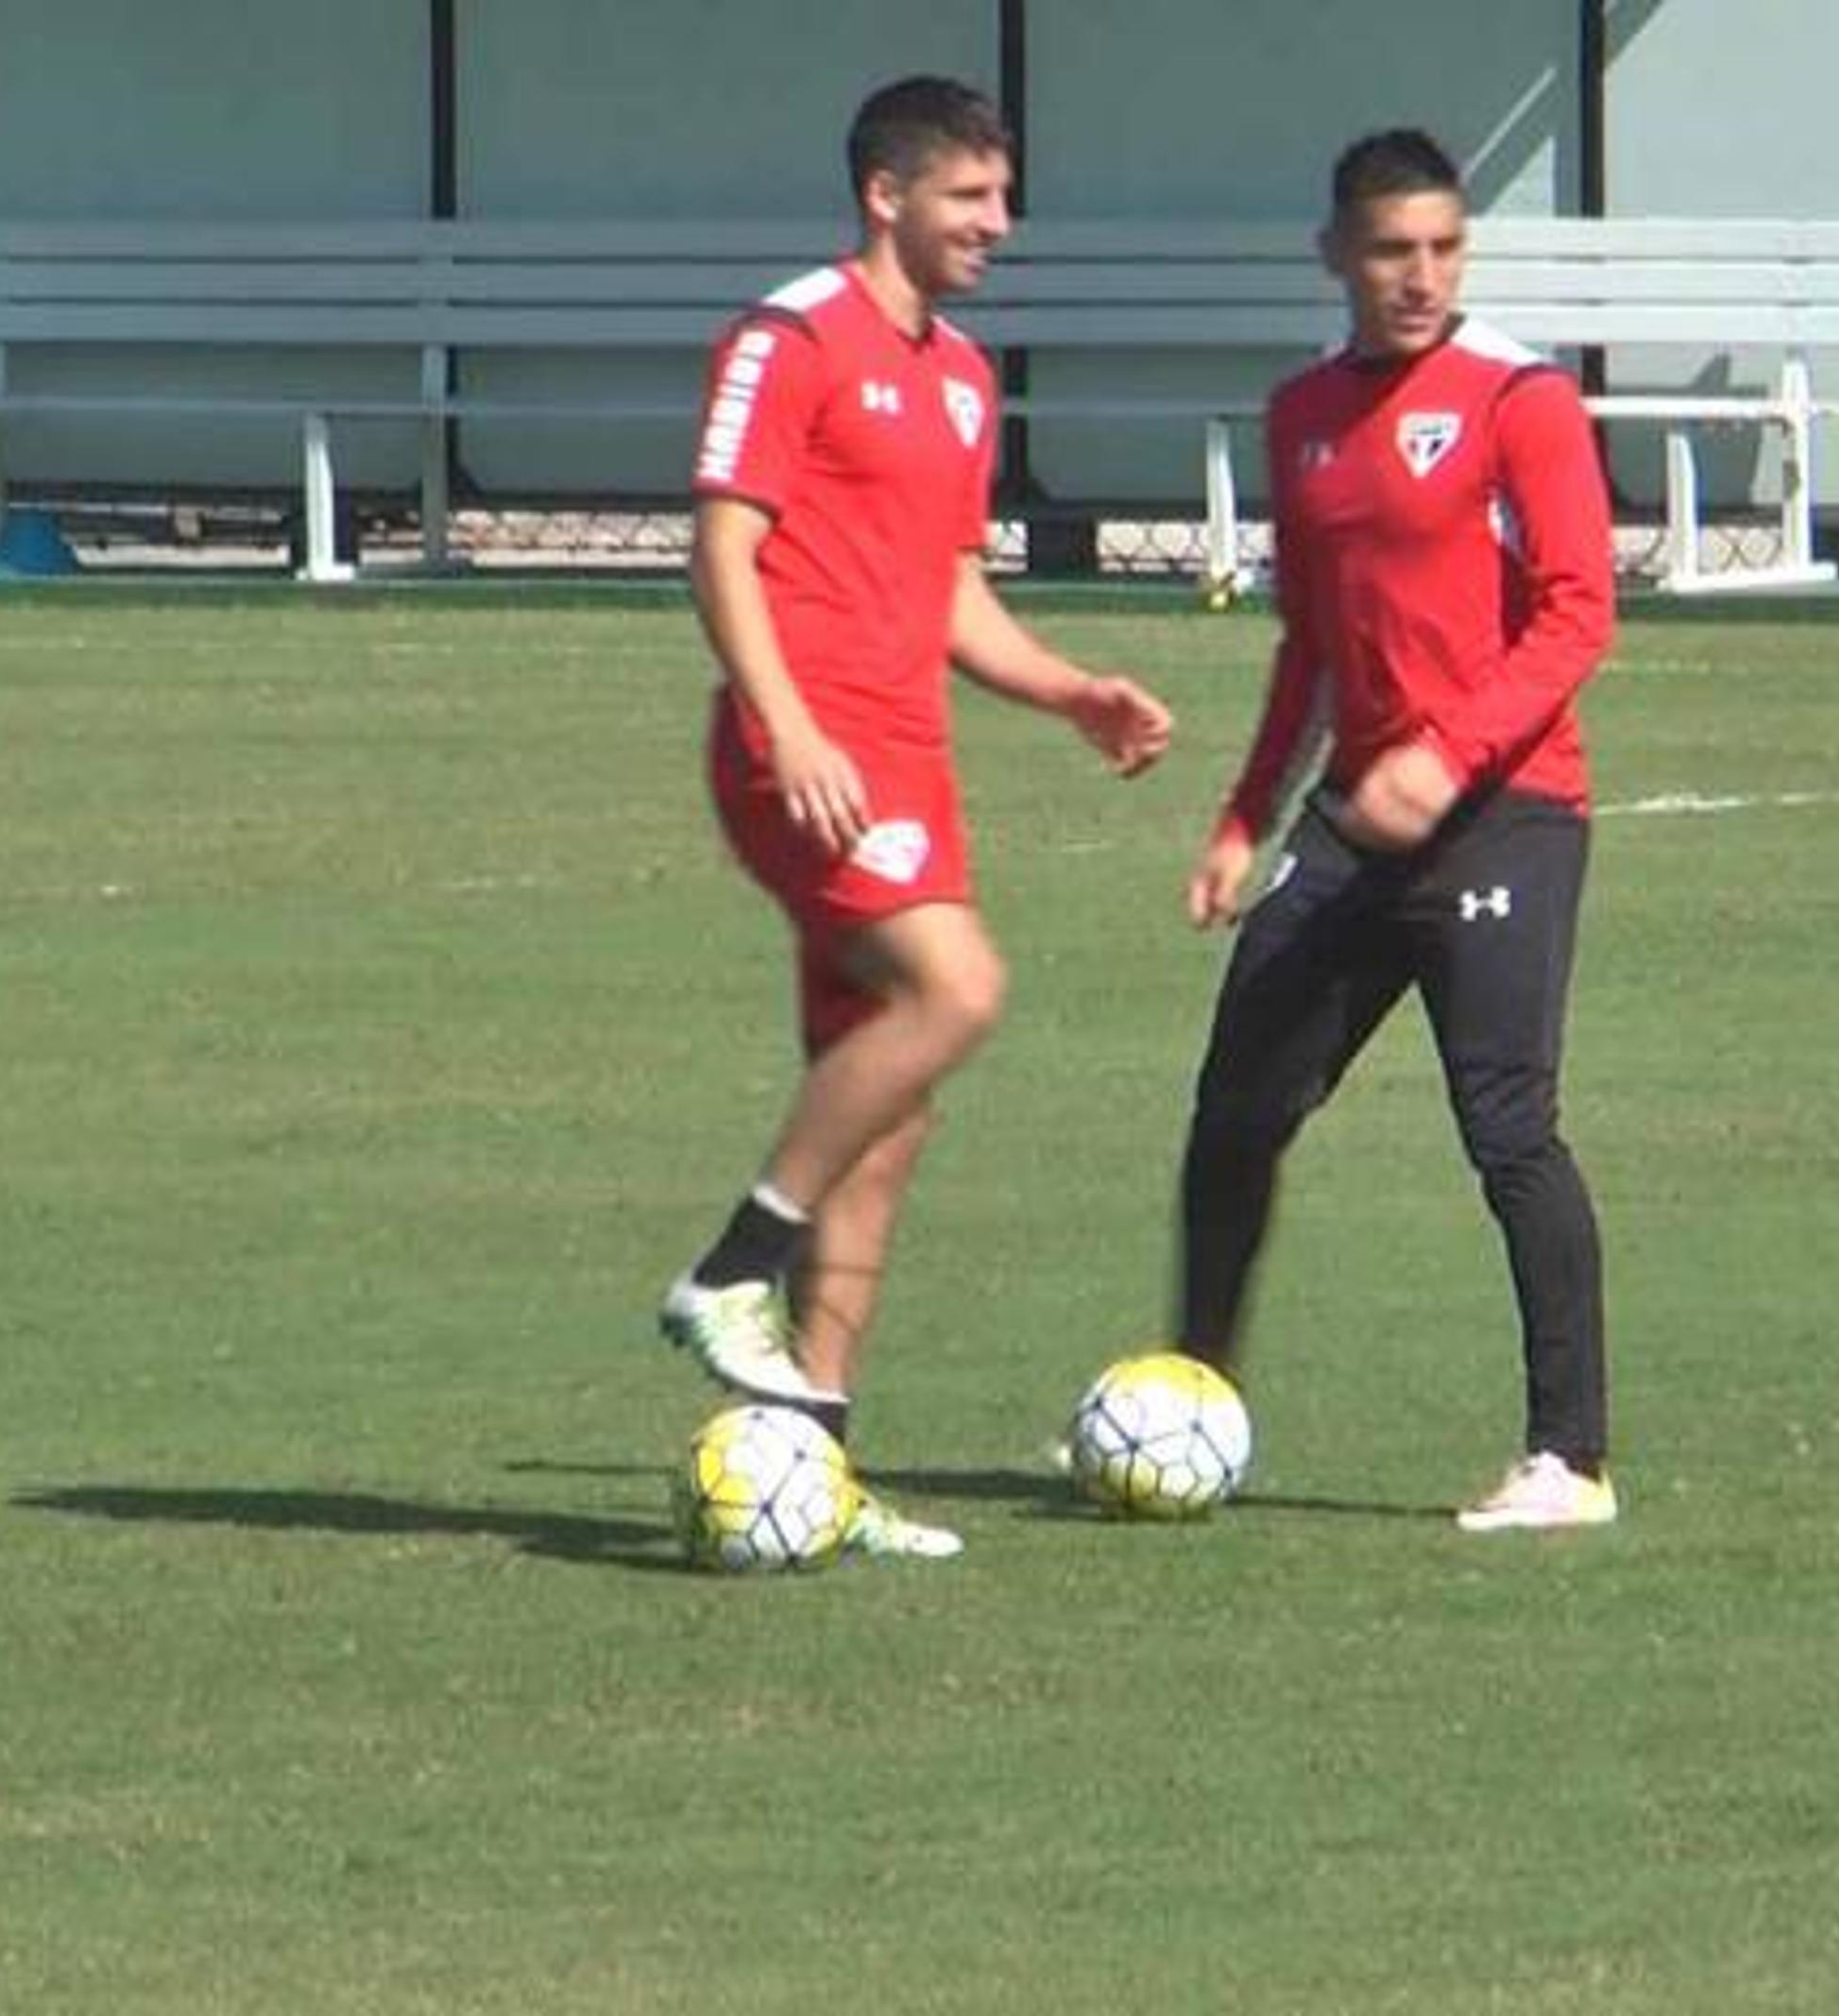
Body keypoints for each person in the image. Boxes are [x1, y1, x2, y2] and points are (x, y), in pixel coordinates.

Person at [660, 75, 1175, 1559]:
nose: (997, 226)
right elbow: (722, 548)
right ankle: (729, 1266)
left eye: (1001, 199)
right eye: (972, 198)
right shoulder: (789, 337)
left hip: (909, 760)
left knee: (888, 1103)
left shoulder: (959, 376)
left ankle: (812, 1453)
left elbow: (948, 590)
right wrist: (790, 725)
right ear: (887, 195)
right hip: (806, 758)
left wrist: (1071, 692)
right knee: (961, 988)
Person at [1169, 129, 1622, 1533]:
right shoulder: (1301, 409)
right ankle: (1192, 1405)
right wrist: (1250, 815)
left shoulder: (1519, 400)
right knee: (1234, 1113)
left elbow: (1578, 611)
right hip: (1353, 823)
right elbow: (1310, 641)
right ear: (1338, 256)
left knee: (1509, 1131)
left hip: (1506, 815)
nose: (1420, 275)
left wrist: (1449, 754)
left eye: (1442, 247)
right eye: (1390, 250)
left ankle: (1572, 1459)